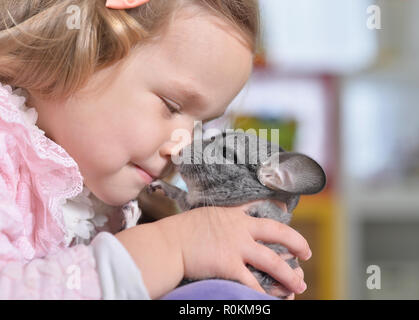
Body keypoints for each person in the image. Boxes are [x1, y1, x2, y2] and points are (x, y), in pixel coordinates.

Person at [0, 0, 311, 299]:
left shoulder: (106, 199)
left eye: (201, 125)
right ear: (82, 44)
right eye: (172, 106)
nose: (184, 148)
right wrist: (170, 247)